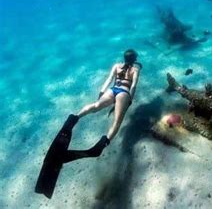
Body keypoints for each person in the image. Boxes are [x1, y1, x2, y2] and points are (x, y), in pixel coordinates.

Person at [35, 49, 142, 198]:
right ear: (135, 58)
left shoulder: (117, 66)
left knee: (94, 106)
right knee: (117, 122)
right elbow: (134, 86)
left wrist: (101, 92)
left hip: (112, 89)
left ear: (124, 58)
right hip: (123, 92)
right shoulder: (135, 69)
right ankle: (103, 144)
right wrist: (130, 98)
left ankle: (73, 119)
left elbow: (108, 79)